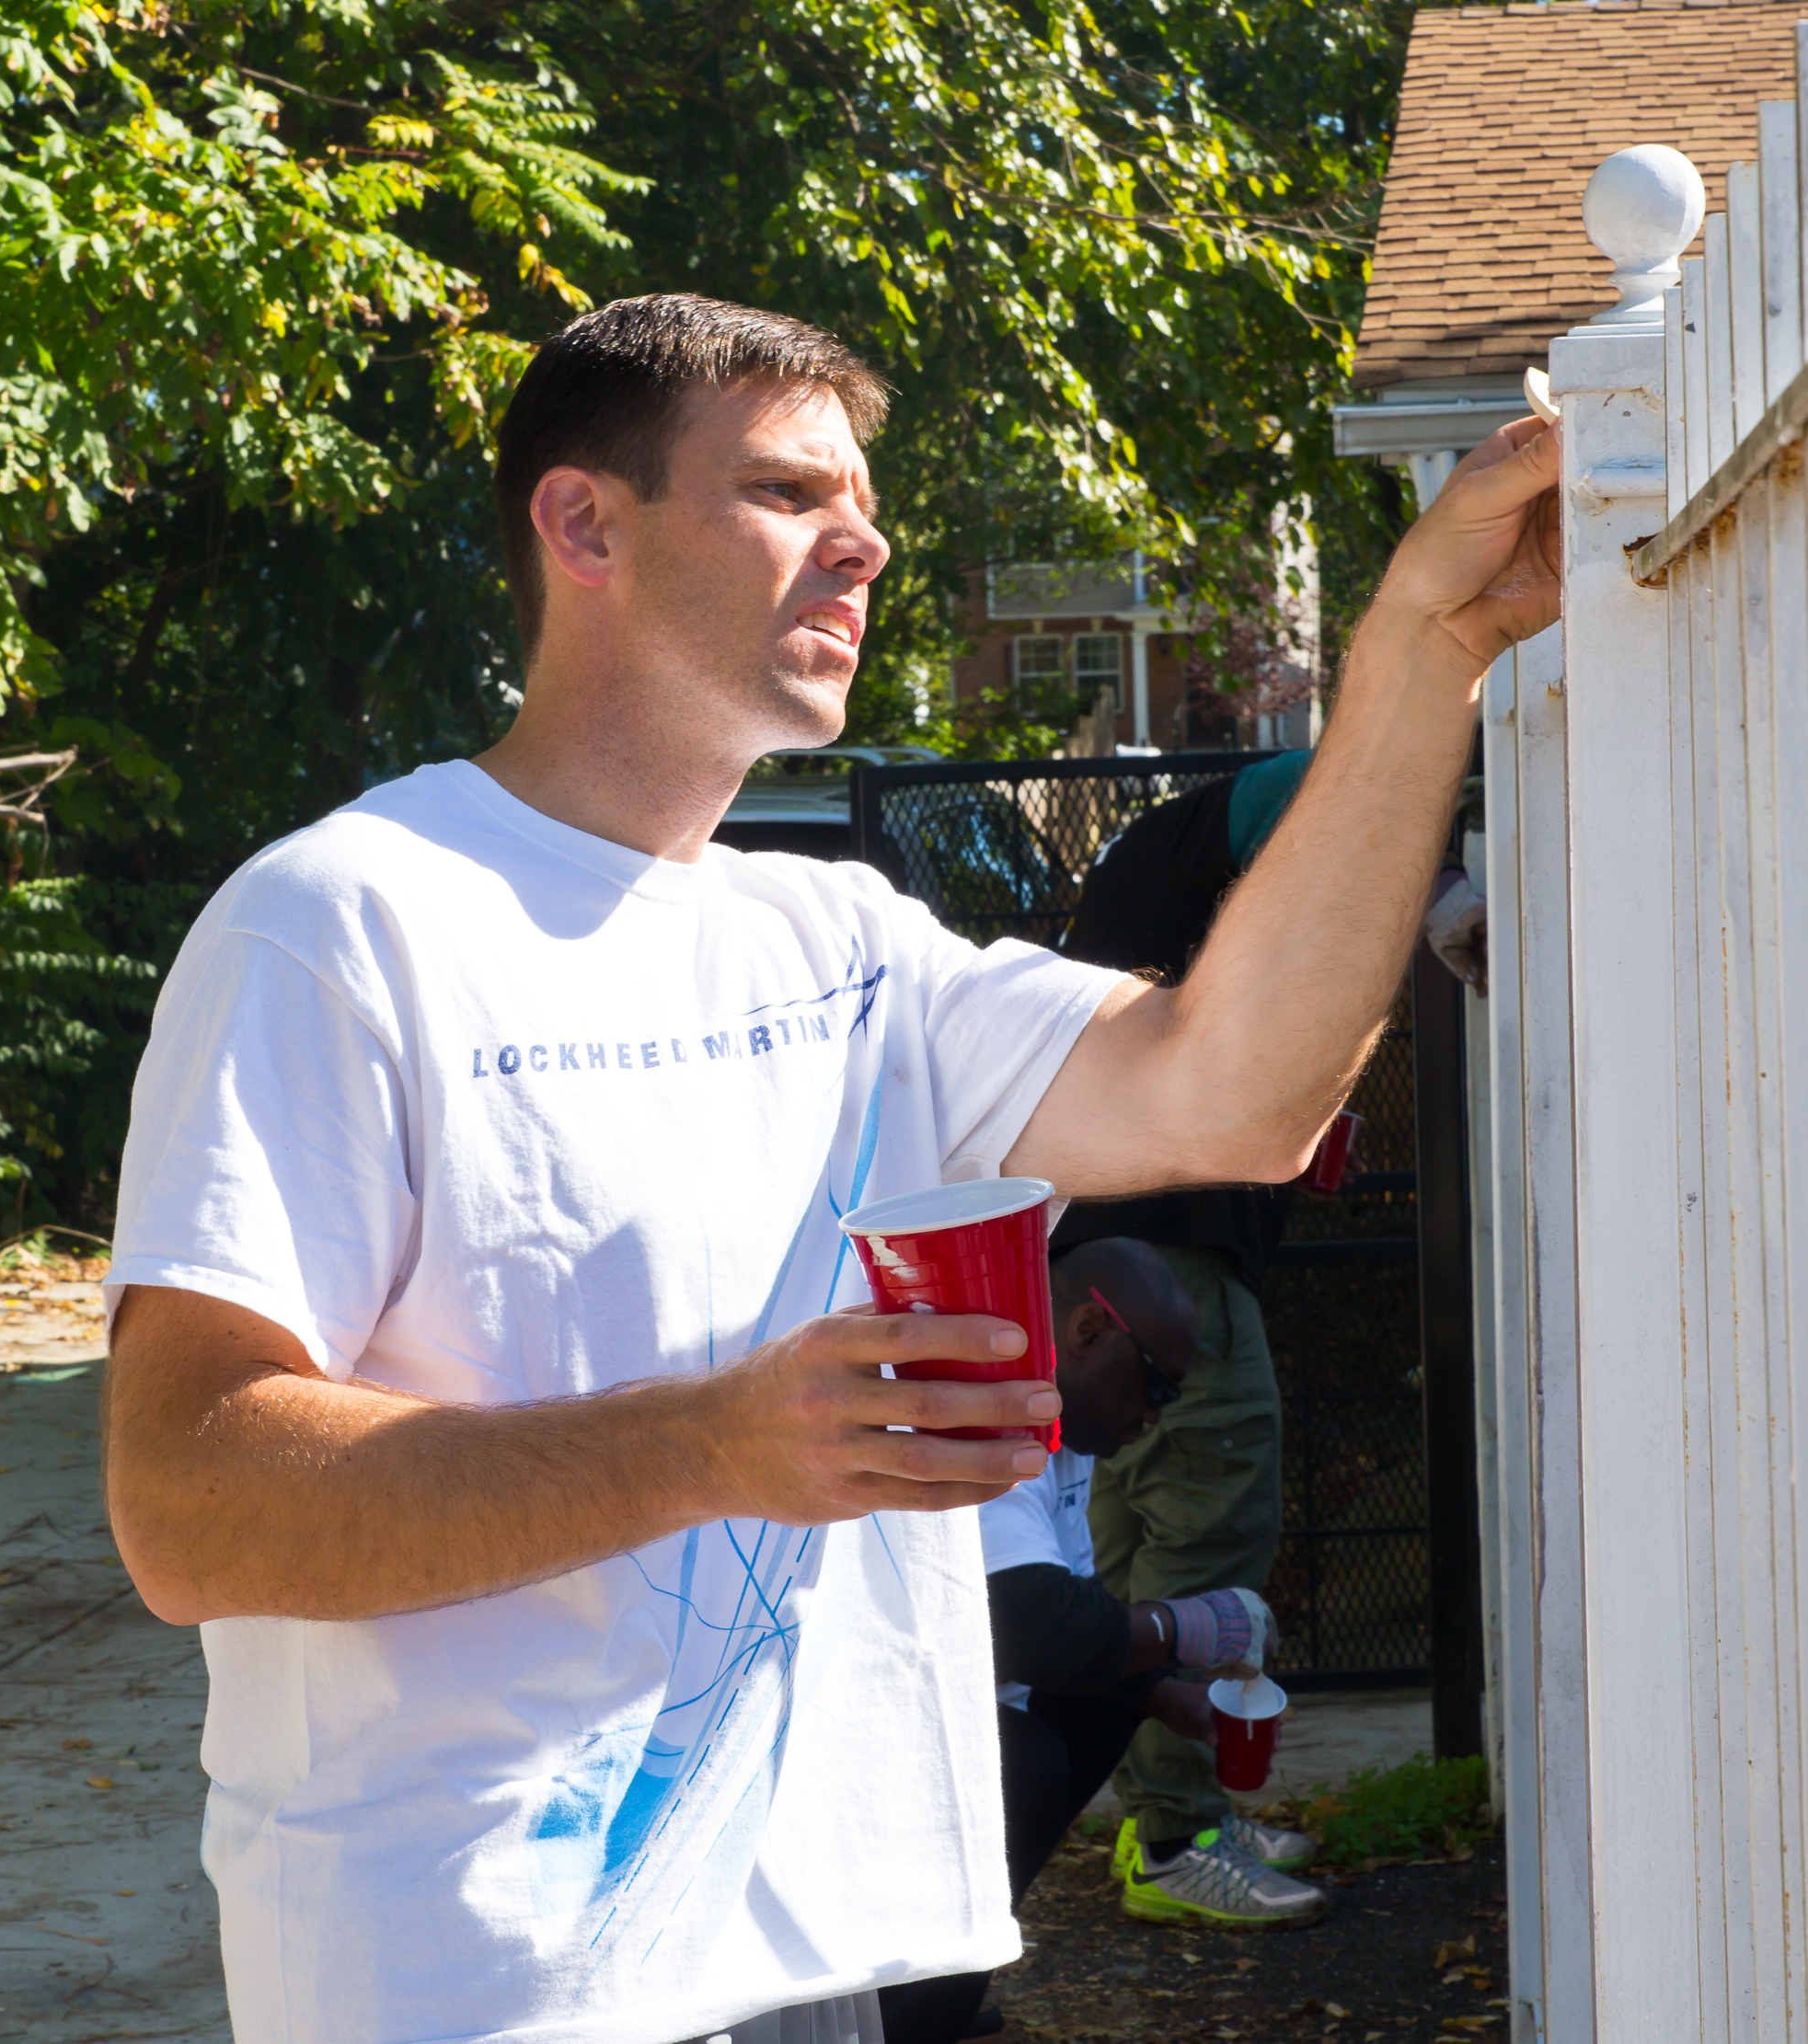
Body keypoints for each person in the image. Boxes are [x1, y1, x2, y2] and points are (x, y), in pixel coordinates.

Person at [100, 292, 1560, 2044]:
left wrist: (1426, 649)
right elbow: (189, 1496)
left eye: (862, 500)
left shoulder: (842, 939)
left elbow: (1231, 1096)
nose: (863, 540)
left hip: (821, 1964)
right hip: (477, 1985)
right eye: (793, 491)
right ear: (585, 523)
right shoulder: (343, 922)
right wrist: (716, 1443)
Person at [891, 1238, 1320, 2044]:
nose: (1154, 1415)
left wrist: (1165, 1695)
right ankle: (906, 2011)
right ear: (1089, 1328)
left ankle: (942, 1987)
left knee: (1092, 1710)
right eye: (1153, 1383)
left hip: (923, 1697)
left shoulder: (1061, 1436)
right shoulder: (991, 1406)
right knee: (1022, 1757)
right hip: (838, 1721)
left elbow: (1069, 1625)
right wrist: (1183, 1625)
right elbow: (1031, 1626)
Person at [1050, 752, 1314, 1914]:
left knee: (1133, 1538)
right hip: (1169, 1270)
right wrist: (1440, 874)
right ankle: (1174, 1840)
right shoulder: (1214, 835)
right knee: (1208, 1520)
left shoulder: (1153, 872)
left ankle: (1155, 1821)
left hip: (1131, 1244)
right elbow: (1308, 784)